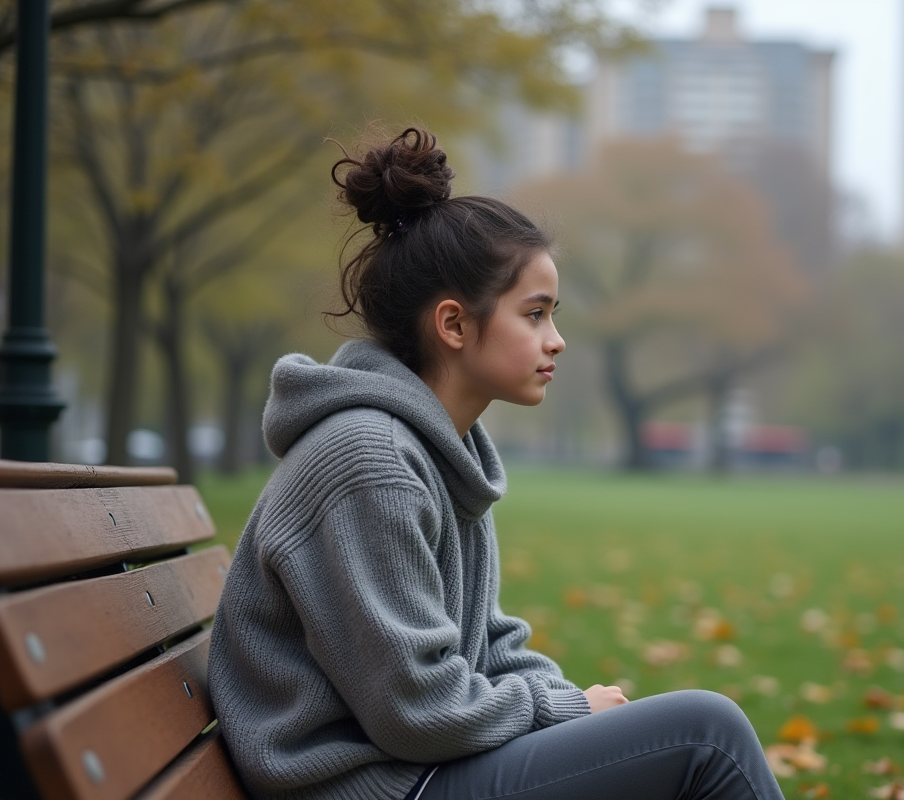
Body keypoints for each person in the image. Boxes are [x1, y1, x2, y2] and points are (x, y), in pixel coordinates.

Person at [208, 127, 785, 800]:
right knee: (704, 734)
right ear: (453, 326)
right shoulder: (369, 462)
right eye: (535, 315)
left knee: (684, 737)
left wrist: (576, 709)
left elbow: (492, 644)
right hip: (375, 787)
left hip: (412, 772)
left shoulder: (437, 450)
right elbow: (418, 709)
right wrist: (565, 712)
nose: (557, 340)